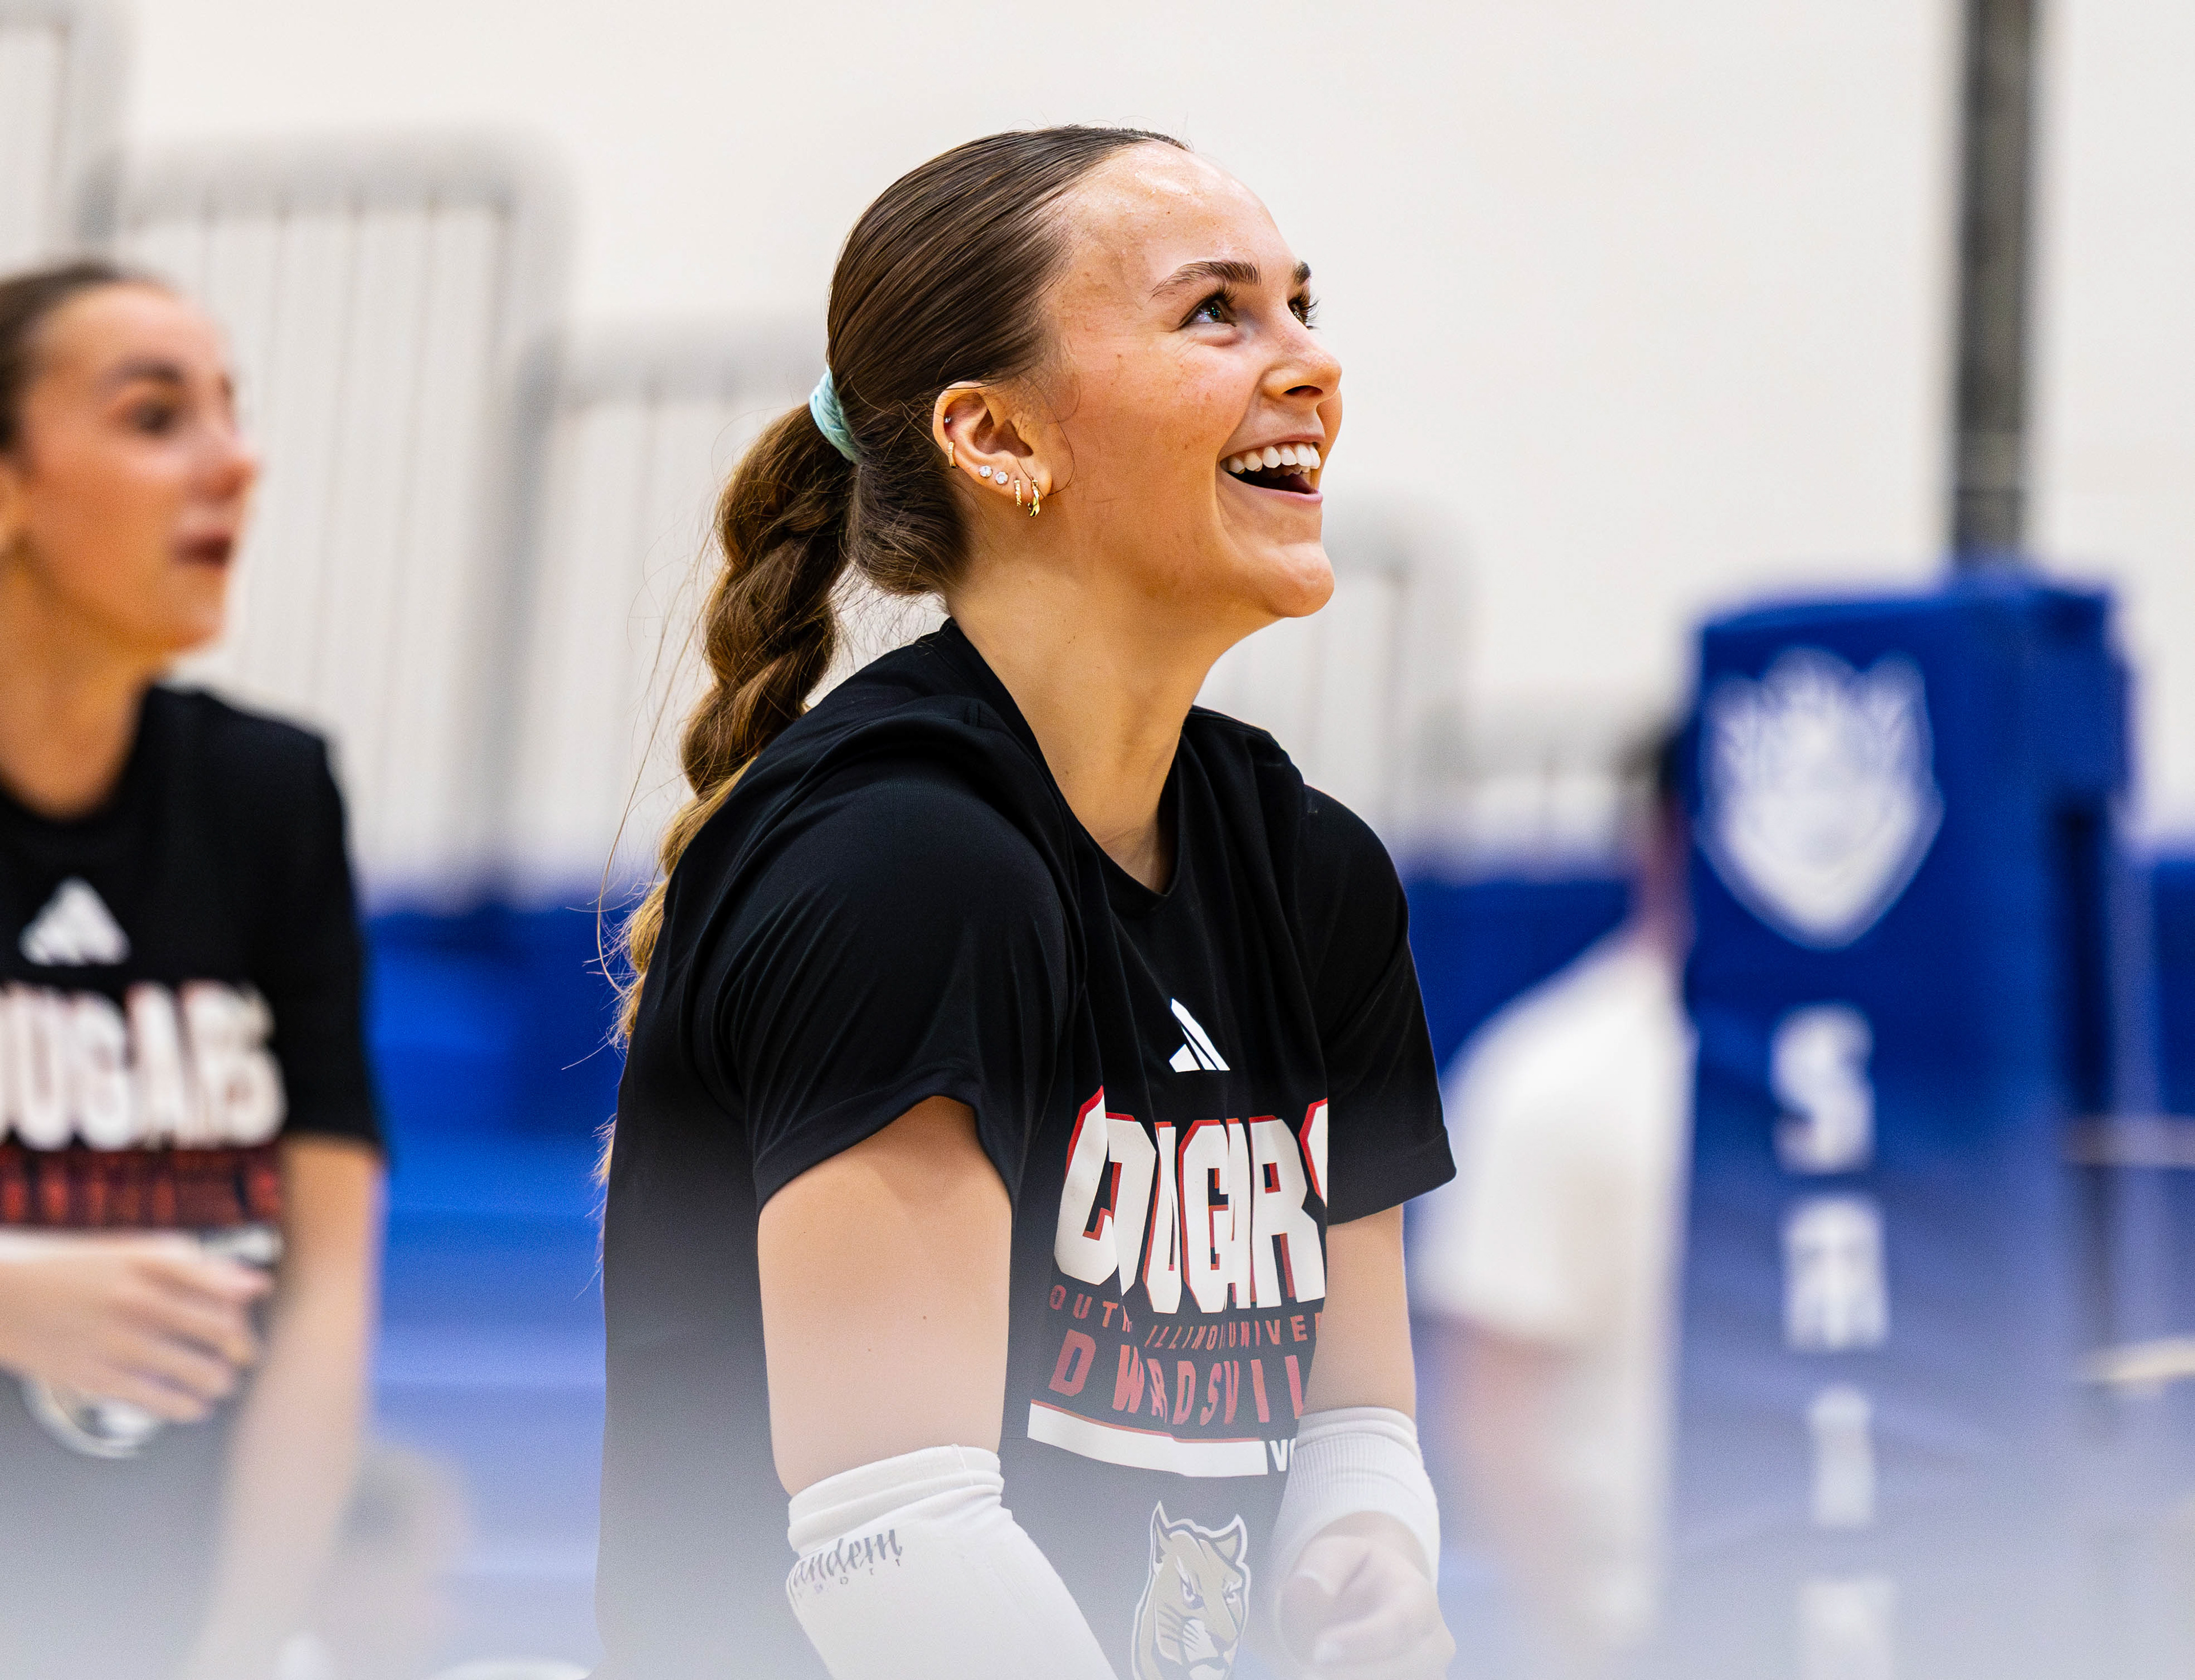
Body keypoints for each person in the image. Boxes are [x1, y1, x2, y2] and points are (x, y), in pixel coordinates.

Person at [595, 127, 1458, 1680]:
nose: (1311, 363)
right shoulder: (901, 865)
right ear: (997, 436)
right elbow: (890, 1555)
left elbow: (1354, 1426)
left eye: (1302, 304)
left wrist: (1368, 1558)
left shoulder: (1313, 874)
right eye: (1216, 311)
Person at [0, 260, 385, 1679]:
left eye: (232, 411)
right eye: (156, 417)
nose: (237, 461)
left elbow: (327, 1281)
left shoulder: (269, 796)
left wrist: (243, 1641)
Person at [1411, 735, 1694, 1678]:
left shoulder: (1884, 1086)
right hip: (1640, 1632)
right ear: (1669, 834)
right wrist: (1586, 1643)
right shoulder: (1554, 1081)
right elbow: (1489, 1403)